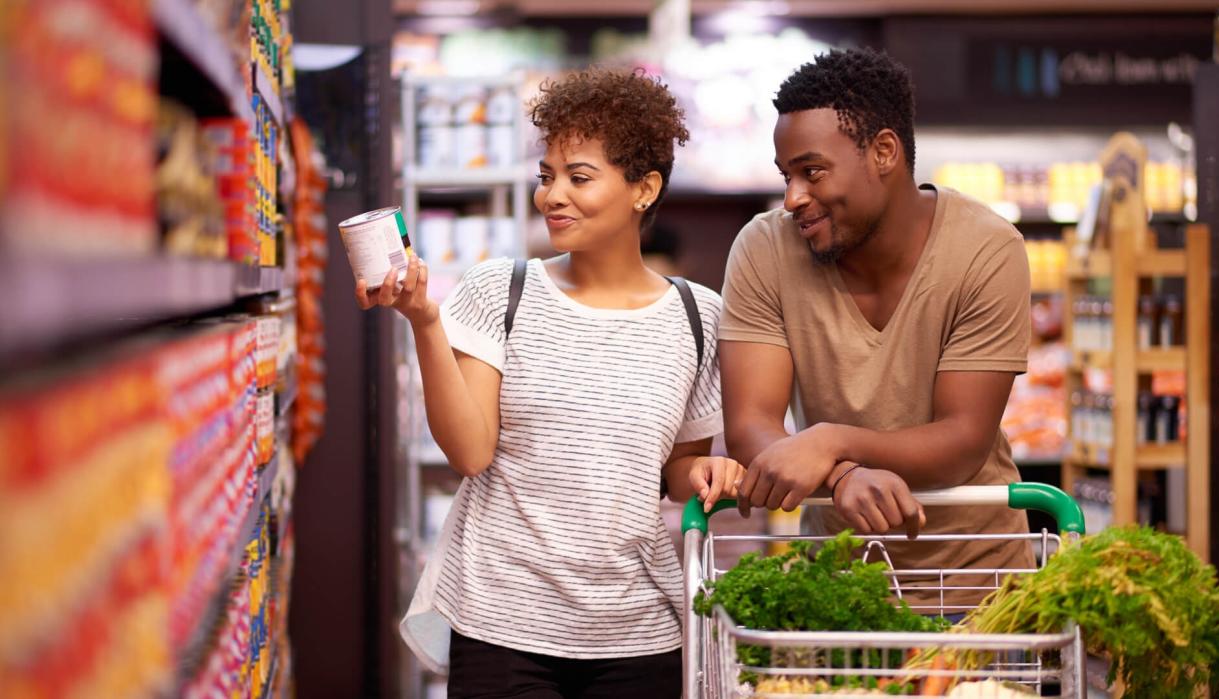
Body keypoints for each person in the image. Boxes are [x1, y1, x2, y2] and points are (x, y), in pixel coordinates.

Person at [359, 68, 743, 698]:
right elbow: (469, 452)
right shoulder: (498, 292)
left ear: (644, 188)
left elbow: (677, 472)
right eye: (546, 176)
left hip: (638, 629)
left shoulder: (699, 317)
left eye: (579, 177)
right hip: (502, 624)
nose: (551, 196)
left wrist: (709, 475)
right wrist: (426, 320)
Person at [720, 48, 1035, 613]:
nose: (793, 197)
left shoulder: (986, 249)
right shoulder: (764, 248)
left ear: (884, 151)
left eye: (812, 171)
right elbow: (750, 426)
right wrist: (843, 476)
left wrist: (830, 441)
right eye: (786, 176)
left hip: (982, 590)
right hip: (840, 591)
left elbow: (964, 440)